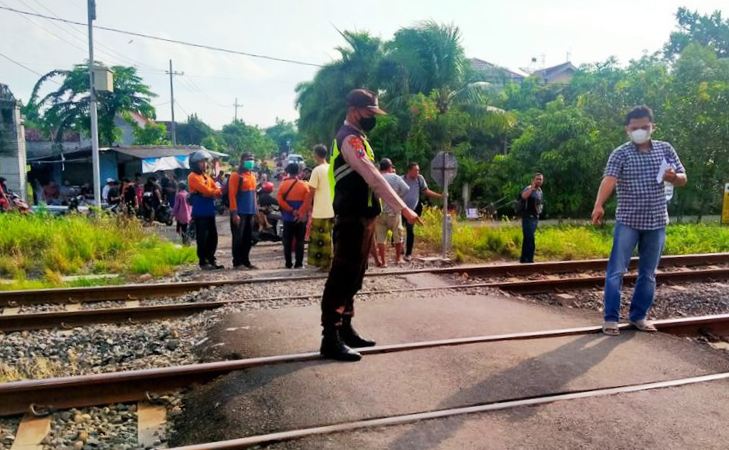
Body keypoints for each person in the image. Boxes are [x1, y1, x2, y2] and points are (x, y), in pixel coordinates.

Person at [320, 88, 420, 362]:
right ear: (354, 110)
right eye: (369, 112)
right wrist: (403, 208)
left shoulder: (359, 138)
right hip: (351, 218)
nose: (372, 117)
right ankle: (330, 337)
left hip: (363, 218)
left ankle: (346, 329)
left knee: (355, 276)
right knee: (342, 277)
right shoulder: (349, 139)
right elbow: (374, 177)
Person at [591, 105, 687, 336]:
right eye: (636, 128)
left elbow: (683, 178)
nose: (640, 131)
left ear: (653, 126)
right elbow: (609, 179)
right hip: (628, 220)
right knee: (616, 271)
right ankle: (611, 319)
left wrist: (674, 177)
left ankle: (638, 317)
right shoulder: (621, 153)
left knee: (648, 273)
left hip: (656, 222)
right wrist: (598, 205)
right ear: (627, 129)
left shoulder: (665, 149)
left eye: (645, 127)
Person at [188, 150, 224, 270]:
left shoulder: (206, 176)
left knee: (213, 236)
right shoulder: (193, 176)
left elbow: (215, 190)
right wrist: (214, 192)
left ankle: (211, 258)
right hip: (200, 211)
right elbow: (208, 191)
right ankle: (203, 261)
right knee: (202, 237)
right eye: (201, 162)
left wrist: (214, 192)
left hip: (209, 210)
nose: (204, 164)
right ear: (195, 163)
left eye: (204, 162)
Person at [401, 162, 442, 261]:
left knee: (410, 230)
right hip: (401, 209)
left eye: (418, 170)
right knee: (398, 231)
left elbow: (426, 191)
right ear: (409, 170)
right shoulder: (401, 179)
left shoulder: (419, 179)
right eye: (415, 170)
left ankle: (408, 254)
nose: (417, 172)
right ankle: (399, 247)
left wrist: (439, 196)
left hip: (412, 210)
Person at [303, 144, 335, 270]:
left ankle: (325, 264)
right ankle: (330, 263)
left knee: (321, 239)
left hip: (321, 210)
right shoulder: (332, 168)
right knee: (330, 237)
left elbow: (311, 192)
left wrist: (304, 208)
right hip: (333, 209)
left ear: (316, 154)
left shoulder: (317, 170)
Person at [375, 158, 410, 266]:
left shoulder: (377, 178)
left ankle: (384, 262)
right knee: (397, 235)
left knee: (381, 238)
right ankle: (398, 259)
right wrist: (397, 197)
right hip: (394, 212)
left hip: (379, 213)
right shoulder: (395, 177)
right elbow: (406, 189)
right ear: (390, 167)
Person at [229, 153, 258, 269]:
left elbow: (254, 194)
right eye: (248, 159)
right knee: (238, 238)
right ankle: (237, 262)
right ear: (242, 161)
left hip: (250, 212)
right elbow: (232, 195)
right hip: (239, 212)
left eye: (252, 159)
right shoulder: (236, 176)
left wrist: (256, 210)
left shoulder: (252, 175)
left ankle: (246, 261)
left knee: (248, 237)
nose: (251, 161)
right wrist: (234, 213)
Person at [278, 163, 310, 268]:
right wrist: (300, 212)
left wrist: (291, 210)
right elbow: (307, 201)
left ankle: (288, 263)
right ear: (299, 172)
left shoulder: (283, 185)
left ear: (288, 172)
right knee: (300, 240)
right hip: (300, 218)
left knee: (287, 240)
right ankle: (299, 263)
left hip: (288, 217)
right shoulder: (304, 185)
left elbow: (280, 200)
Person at [519, 173, 544, 263]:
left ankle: (524, 259)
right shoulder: (529, 188)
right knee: (530, 238)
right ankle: (529, 259)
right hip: (527, 217)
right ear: (533, 180)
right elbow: (523, 196)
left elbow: (539, 204)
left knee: (528, 238)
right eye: (537, 179)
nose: (539, 181)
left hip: (535, 218)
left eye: (540, 179)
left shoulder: (540, 191)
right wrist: (531, 189)